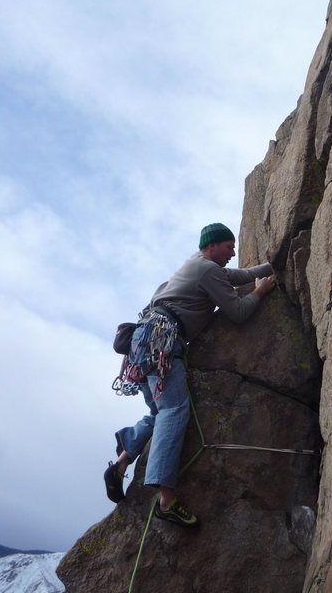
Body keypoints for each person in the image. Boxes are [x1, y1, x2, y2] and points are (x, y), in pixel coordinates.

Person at [103, 223, 276, 527]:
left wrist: (274, 263)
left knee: (160, 411)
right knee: (174, 410)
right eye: (228, 246)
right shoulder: (207, 270)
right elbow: (237, 312)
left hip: (145, 344)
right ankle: (166, 500)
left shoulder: (200, 266)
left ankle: (121, 463)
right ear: (211, 246)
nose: (233, 252)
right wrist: (261, 292)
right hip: (162, 343)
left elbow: (240, 275)